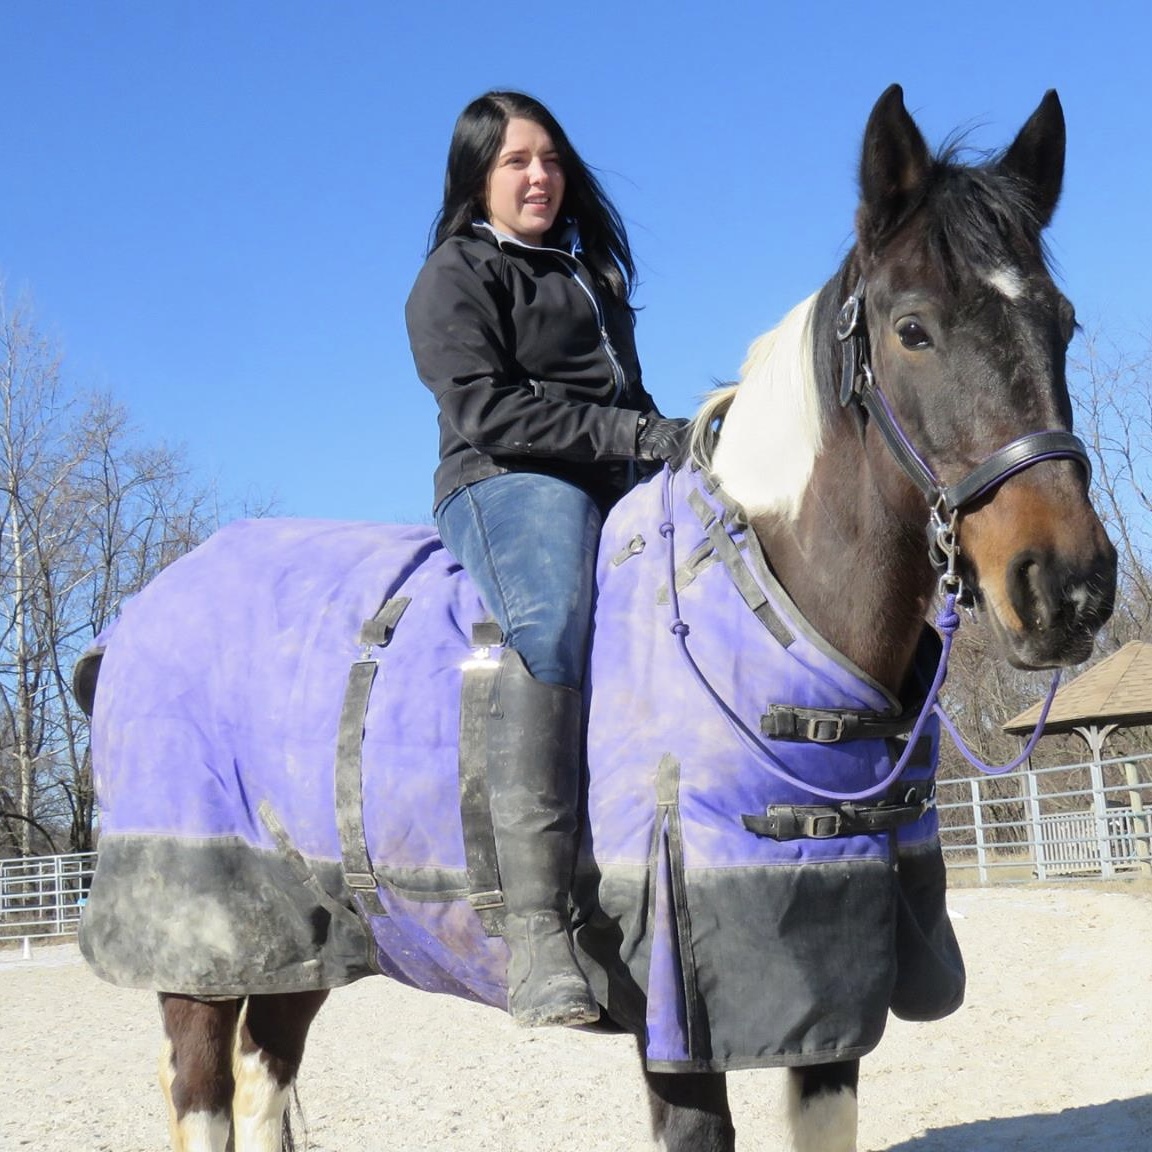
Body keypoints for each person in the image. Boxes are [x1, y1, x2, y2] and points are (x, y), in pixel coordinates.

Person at [406, 91, 684, 1027]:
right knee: (557, 614)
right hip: (506, 479)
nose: (539, 176)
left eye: (551, 159)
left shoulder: (590, 273)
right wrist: (637, 436)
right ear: (478, 176)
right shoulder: (455, 272)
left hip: (608, 466)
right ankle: (537, 931)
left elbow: (630, 404)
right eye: (517, 161)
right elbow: (489, 411)